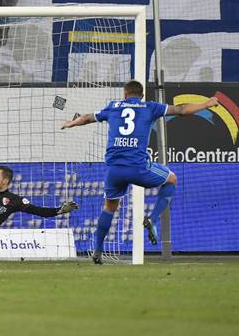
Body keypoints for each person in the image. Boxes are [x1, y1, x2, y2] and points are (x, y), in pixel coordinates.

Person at [61, 80, 218, 264]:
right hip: (138, 168)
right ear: (141, 95)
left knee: (109, 208)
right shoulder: (149, 107)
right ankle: (151, 220)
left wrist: (71, 123)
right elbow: (181, 109)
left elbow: (87, 117)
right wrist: (206, 104)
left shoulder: (113, 107)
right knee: (172, 179)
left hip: (115, 170)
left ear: (124, 94)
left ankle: (96, 251)